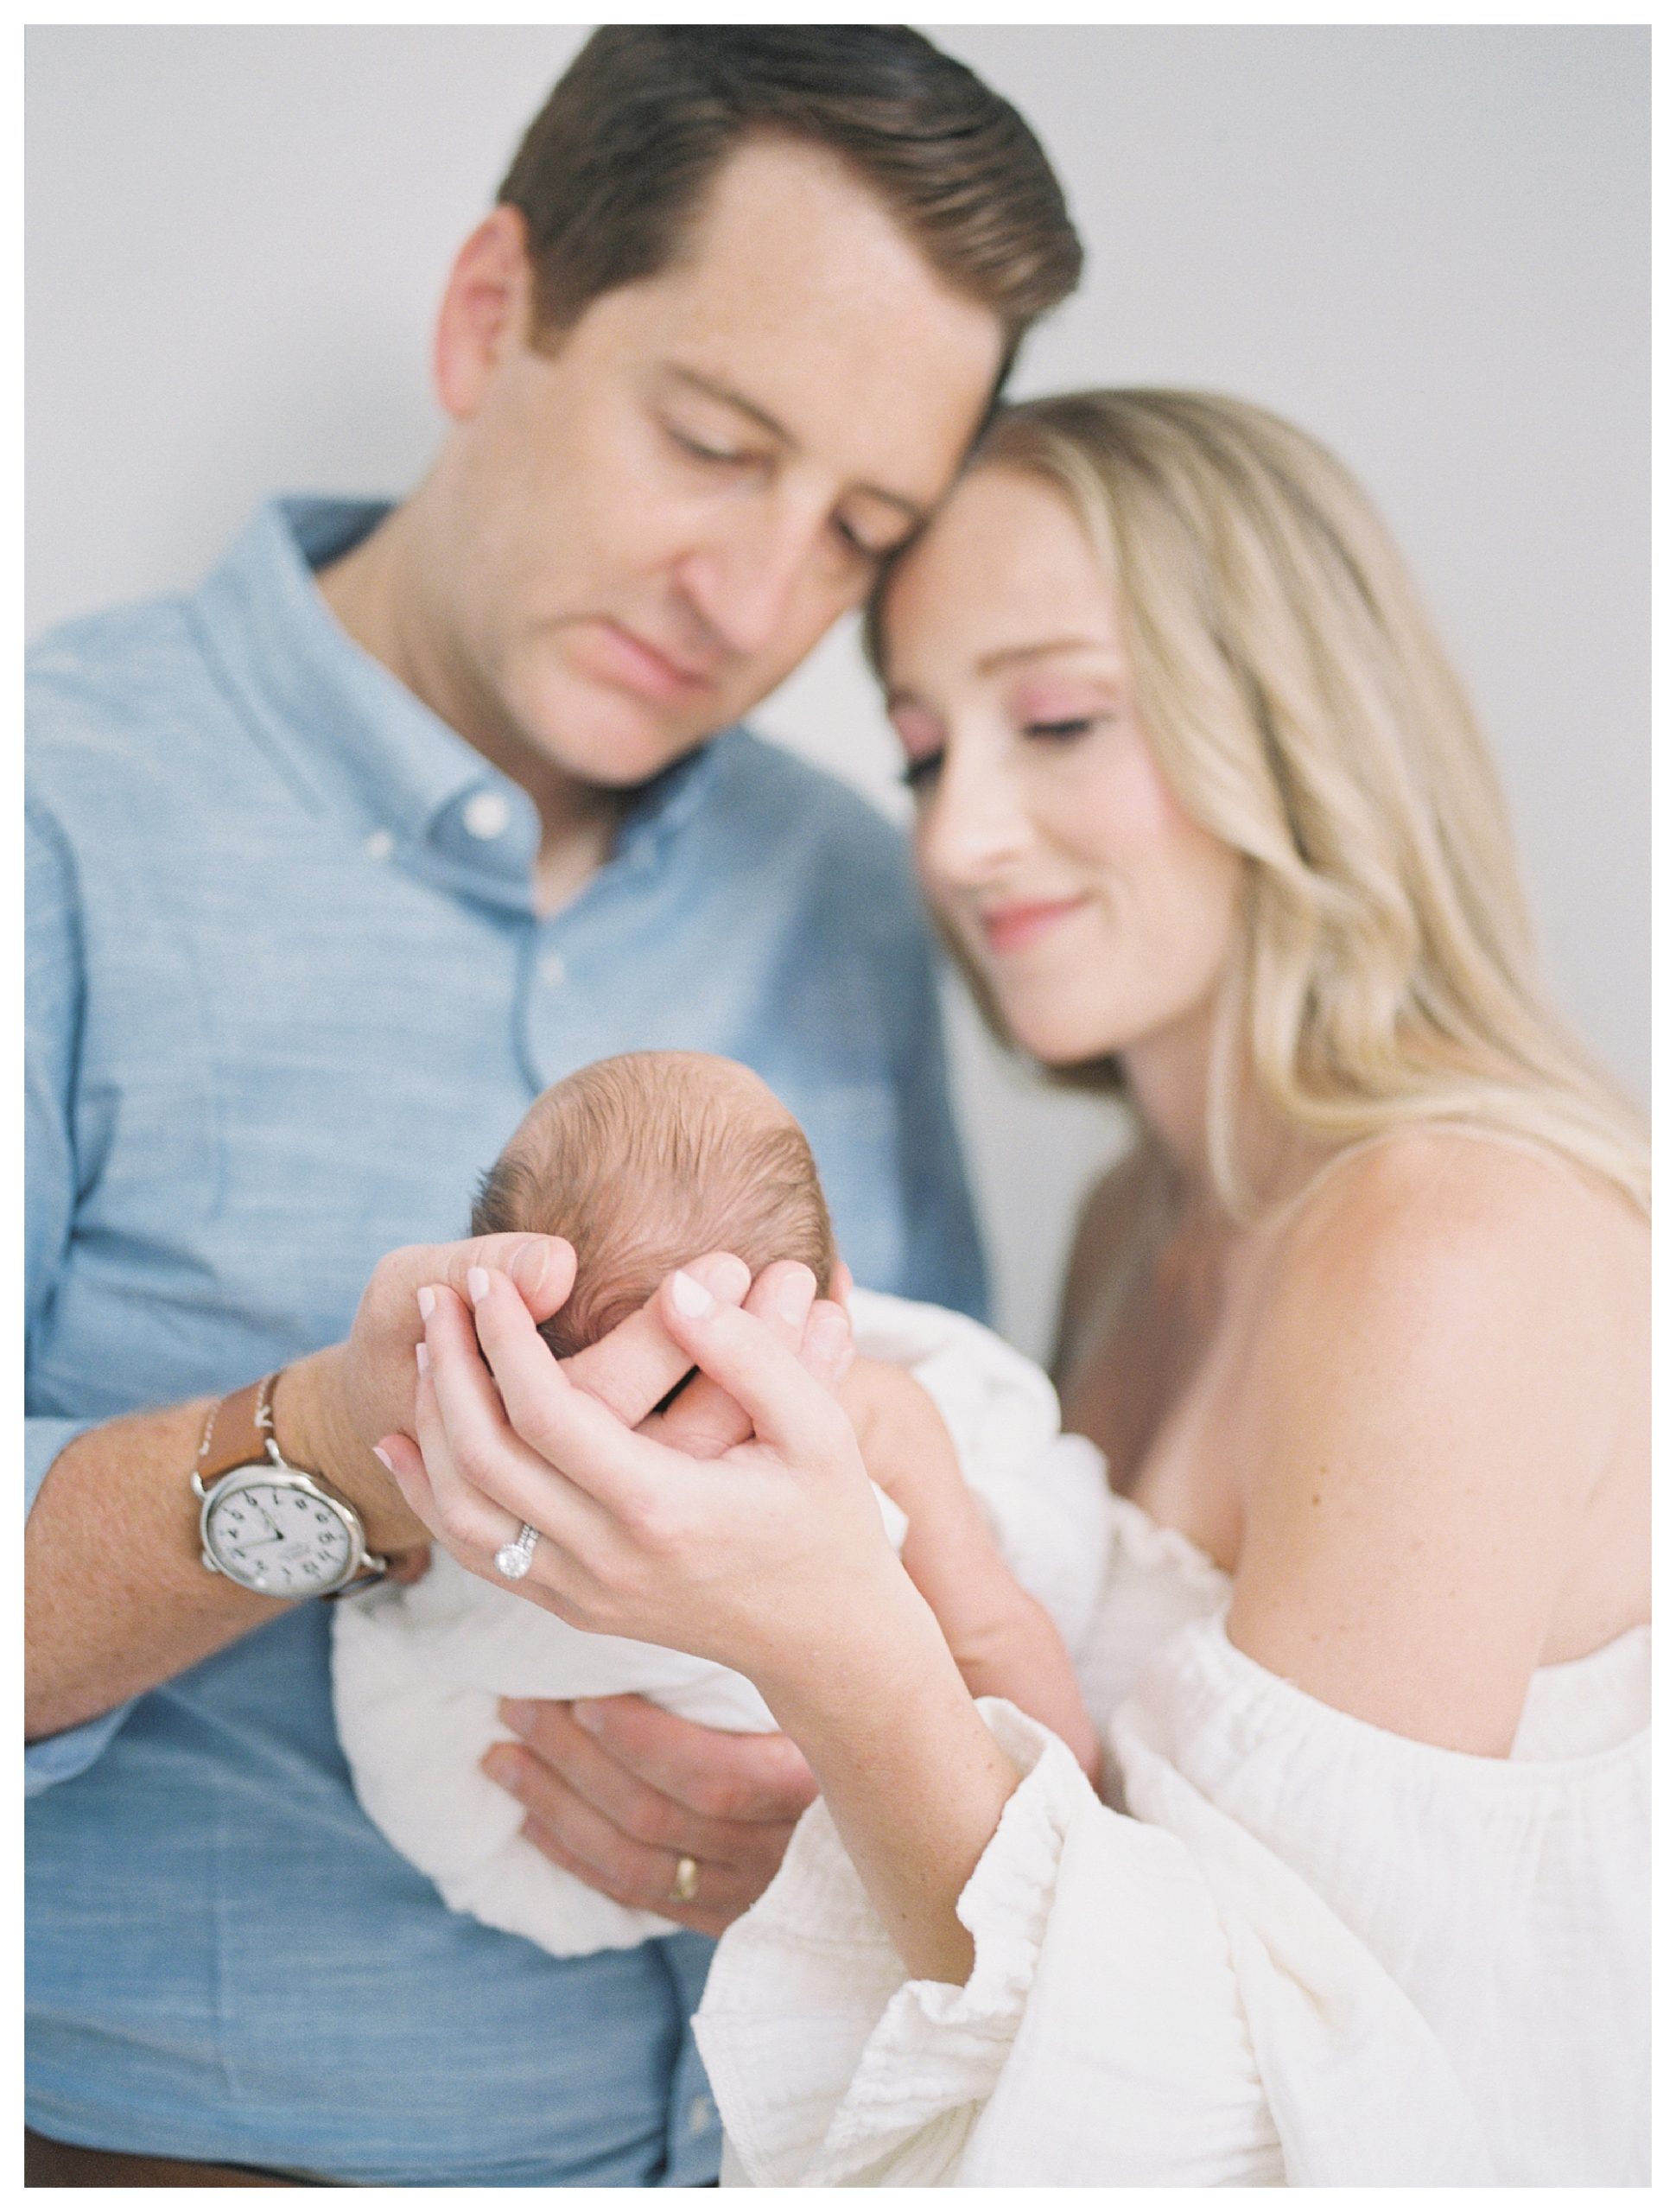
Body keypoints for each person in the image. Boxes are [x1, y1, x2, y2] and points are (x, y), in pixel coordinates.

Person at [23, 28, 1083, 2187]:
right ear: (493, 310)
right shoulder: (49, 807)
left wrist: (853, 1779)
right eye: (712, 440)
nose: (756, 598)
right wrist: (329, 1450)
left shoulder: (858, 902)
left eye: (856, 532)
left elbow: (937, 1487)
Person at [397, 389, 1650, 2185]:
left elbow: (1286, 2124)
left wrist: (839, 1655)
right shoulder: (1134, 1226)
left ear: (1300, 727)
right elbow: (1079, 1870)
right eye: (922, 750)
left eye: (1056, 718)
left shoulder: (1453, 1243)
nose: (961, 837)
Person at [333, 1049, 1103, 1961]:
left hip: (524, 1824)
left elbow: (404, 1609)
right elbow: (994, 1645)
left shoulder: (475, 1453)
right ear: (835, 1307)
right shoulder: (872, 1418)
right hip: (927, 1875)